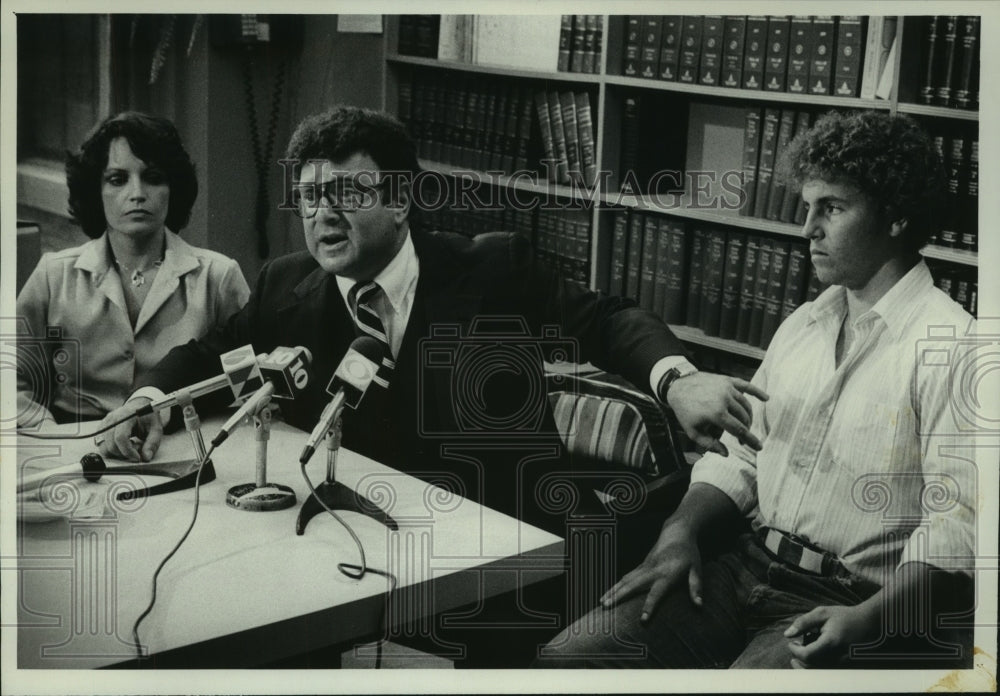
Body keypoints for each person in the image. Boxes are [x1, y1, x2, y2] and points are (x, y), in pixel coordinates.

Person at [95, 105, 766, 667]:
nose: (321, 214)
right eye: (307, 196)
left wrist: (677, 380)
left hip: (497, 555)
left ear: (400, 200)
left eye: (347, 195)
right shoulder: (285, 285)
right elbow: (212, 355)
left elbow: (610, 321)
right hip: (349, 544)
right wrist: (148, 401)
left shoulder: (492, 268)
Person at [537, 110, 977, 668]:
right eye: (807, 207)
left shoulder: (955, 346)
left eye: (831, 209)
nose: (807, 228)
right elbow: (743, 452)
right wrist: (680, 532)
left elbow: (957, 525)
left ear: (895, 218)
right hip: (744, 564)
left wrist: (869, 619)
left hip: (852, 600)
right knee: (567, 663)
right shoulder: (805, 324)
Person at [16, 112, 250, 427]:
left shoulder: (218, 277)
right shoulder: (53, 276)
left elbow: (250, 384)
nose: (137, 193)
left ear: (173, 188)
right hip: (76, 446)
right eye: (118, 179)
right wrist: (56, 438)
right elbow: (11, 383)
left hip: (184, 442)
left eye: (153, 177)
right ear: (95, 191)